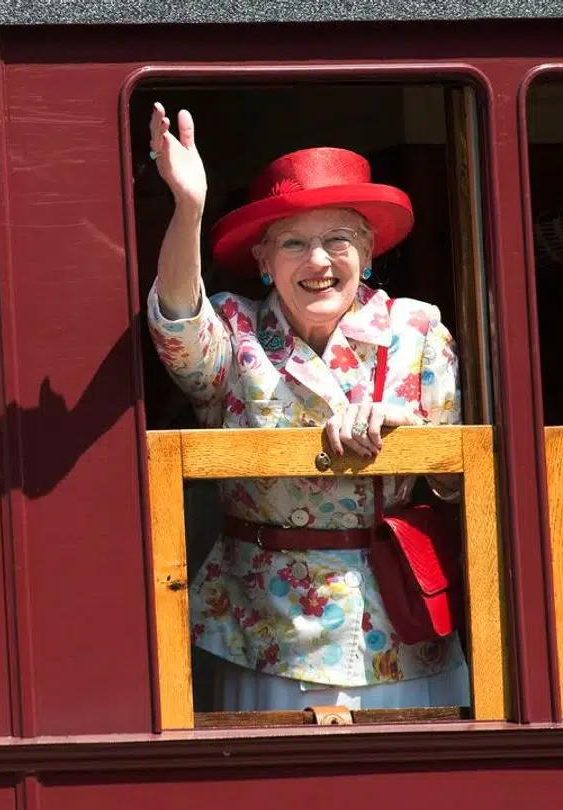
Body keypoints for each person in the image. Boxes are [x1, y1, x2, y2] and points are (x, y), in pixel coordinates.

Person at [144, 103, 470, 711]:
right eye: (294, 243)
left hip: (401, 625)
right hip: (265, 627)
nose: (318, 262)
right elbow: (179, 330)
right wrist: (189, 208)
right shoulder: (237, 331)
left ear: (368, 252)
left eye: (338, 240)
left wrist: (412, 435)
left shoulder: (417, 330)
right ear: (264, 262)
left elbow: (461, 484)